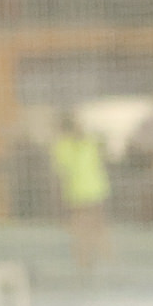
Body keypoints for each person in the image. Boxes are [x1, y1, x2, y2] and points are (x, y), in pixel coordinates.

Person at [49, 114, 109, 281]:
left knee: (87, 229)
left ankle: (90, 261)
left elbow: (60, 175)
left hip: (86, 191)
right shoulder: (81, 143)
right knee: (91, 228)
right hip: (87, 192)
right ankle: (91, 261)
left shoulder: (65, 146)